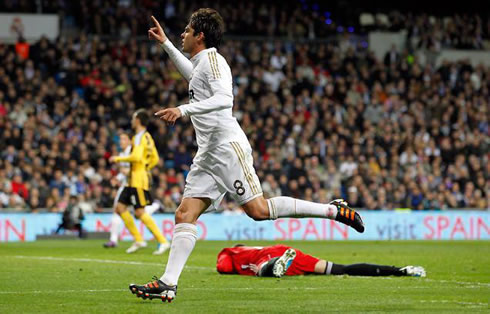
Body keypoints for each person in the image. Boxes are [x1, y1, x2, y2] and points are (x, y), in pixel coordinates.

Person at [130, 9, 364, 302]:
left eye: (187, 31)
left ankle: (332, 210)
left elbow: (224, 99)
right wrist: (166, 44)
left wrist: (183, 109)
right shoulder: (201, 64)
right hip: (208, 153)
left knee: (258, 211)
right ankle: (168, 283)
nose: (183, 35)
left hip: (228, 148)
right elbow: (192, 77)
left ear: (200, 36)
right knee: (185, 213)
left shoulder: (215, 61)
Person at [109, 109, 170, 255]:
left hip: (137, 179)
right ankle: (138, 239)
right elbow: (154, 158)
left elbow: (136, 157)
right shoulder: (147, 136)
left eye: (133, 118)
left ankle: (163, 241)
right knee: (120, 207)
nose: (131, 121)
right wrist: (145, 167)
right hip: (133, 179)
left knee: (140, 212)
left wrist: (117, 158)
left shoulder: (138, 137)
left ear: (137, 120)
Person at [216, 244, 426, 278]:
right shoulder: (252, 248)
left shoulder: (233, 252)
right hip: (288, 251)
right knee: (340, 269)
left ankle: (274, 267)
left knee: (261, 269)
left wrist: (234, 268)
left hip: (268, 257)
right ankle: (399, 270)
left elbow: (221, 265)